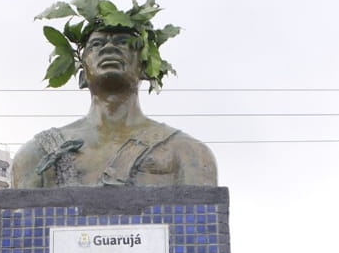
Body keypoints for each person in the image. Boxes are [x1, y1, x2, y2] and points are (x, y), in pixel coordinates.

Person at [12, 28, 218, 188]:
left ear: (146, 68)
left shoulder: (187, 152)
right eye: (96, 44)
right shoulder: (37, 154)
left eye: (124, 42)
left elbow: (201, 233)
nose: (109, 48)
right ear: (82, 74)